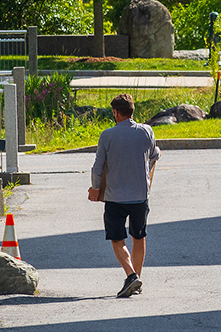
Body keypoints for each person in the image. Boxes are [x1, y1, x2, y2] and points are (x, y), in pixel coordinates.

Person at [88, 93, 160, 298]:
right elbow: (154, 155)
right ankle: (137, 279)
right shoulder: (146, 131)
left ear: (115, 113)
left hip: (115, 197)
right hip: (140, 195)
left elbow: (98, 167)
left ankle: (131, 275)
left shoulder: (107, 135)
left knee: (117, 239)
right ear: (132, 111)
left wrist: (95, 188)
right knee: (139, 237)